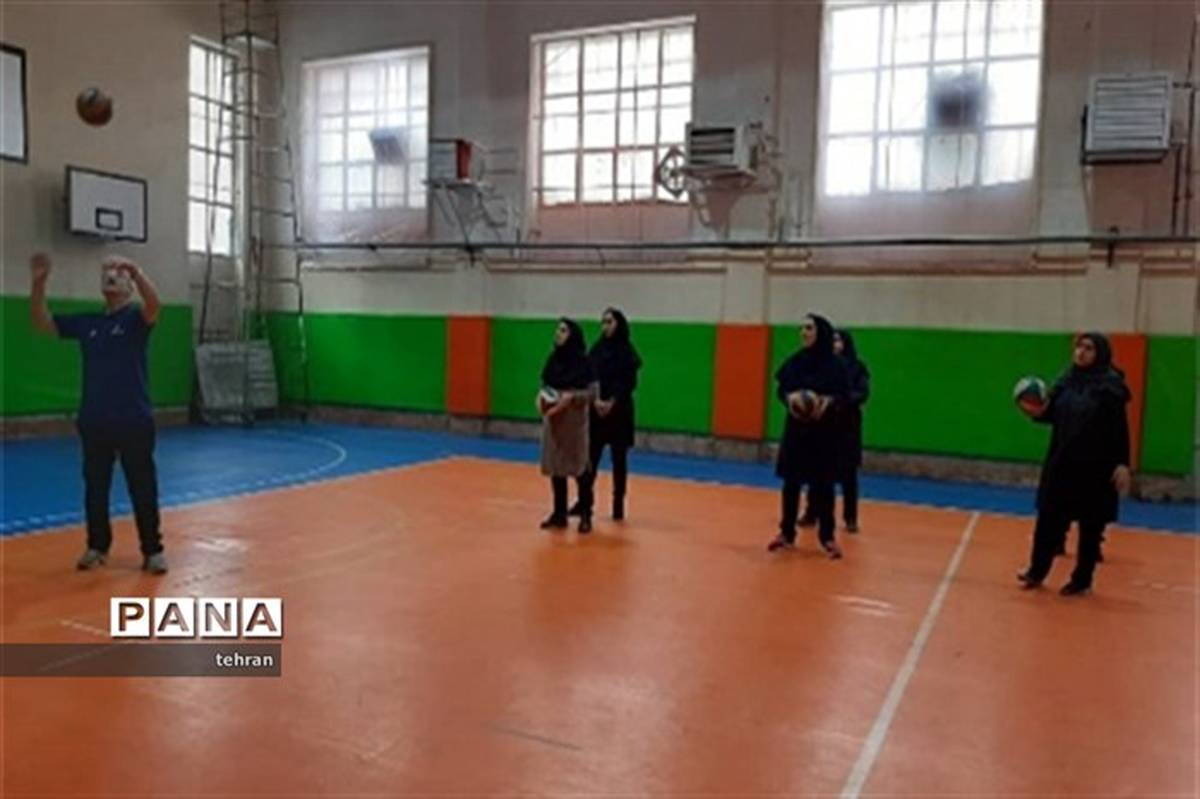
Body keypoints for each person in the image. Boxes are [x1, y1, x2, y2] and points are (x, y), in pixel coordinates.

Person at [29, 252, 167, 573]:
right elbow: (42, 322)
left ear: (129, 286)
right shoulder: (88, 323)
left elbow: (154, 306)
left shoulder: (135, 320)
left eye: (119, 274)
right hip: (95, 420)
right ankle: (97, 547)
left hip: (134, 419)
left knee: (142, 487)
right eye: (107, 273)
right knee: (95, 487)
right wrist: (38, 284)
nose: (112, 277)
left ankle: (152, 550)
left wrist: (136, 271)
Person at [1017, 332, 1132, 596]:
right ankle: (1037, 570)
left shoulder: (1110, 388)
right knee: (1048, 518)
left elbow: (1120, 429)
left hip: (1095, 467)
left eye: (1088, 348)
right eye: (1079, 347)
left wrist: (1122, 463)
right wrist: (1035, 411)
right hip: (1062, 462)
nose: (1081, 352)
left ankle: (1082, 580)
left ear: (1100, 353)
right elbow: (1051, 414)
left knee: (1090, 526)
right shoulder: (1066, 381)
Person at [768, 314, 850, 559]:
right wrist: (790, 400)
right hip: (797, 432)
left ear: (821, 332)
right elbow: (781, 389)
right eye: (802, 328)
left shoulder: (836, 366)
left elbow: (845, 396)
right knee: (791, 483)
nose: (803, 332)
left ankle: (827, 537)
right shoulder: (796, 362)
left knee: (824, 485)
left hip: (824, 433)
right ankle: (786, 532)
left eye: (809, 328)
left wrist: (827, 402)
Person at [572, 308, 641, 522]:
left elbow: (629, 383)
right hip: (597, 413)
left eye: (609, 322)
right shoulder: (597, 349)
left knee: (619, 460)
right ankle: (584, 501)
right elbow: (588, 377)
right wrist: (596, 401)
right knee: (590, 459)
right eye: (603, 322)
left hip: (620, 413)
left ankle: (618, 504)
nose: (605, 326)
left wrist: (612, 401)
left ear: (619, 324)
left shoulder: (627, 353)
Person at [799, 328, 870, 533]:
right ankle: (812, 512)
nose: (835, 344)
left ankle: (850, 518)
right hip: (823, 425)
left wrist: (839, 400)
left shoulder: (857, 368)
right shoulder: (822, 366)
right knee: (816, 471)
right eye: (832, 340)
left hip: (847, 427)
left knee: (849, 474)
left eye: (838, 340)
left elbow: (862, 394)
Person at [537, 318, 598, 534]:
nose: (558, 334)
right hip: (554, 422)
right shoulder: (553, 360)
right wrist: (542, 399)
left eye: (563, 330)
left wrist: (572, 398)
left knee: (580, 469)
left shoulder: (585, 363)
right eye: (558, 330)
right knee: (557, 469)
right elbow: (546, 385)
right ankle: (559, 513)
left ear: (573, 335)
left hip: (574, 425)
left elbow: (593, 394)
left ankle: (586, 514)